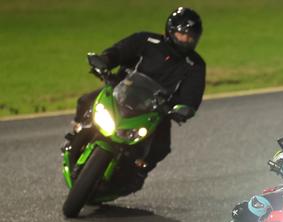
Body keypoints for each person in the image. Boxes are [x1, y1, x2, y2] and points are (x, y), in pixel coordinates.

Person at [63, 7, 206, 194]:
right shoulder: (146, 40)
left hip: (156, 110)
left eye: (190, 37)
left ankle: (137, 172)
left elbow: (192, 94)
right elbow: (119, 52)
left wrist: (184, 108)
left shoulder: (195, 65)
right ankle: (77, 132)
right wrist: (104, 61)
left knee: (162, 147)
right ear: (170, 30)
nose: (185, 39)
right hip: (121, 93)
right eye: (181, 34)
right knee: (86, 101)